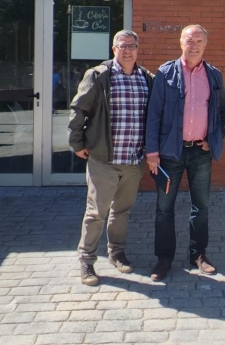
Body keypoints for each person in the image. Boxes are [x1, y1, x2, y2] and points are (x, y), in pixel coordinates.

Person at [68, 30, 154, 286]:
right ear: (113, 49)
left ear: (138, 49)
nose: (127, 50)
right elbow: (78, 108)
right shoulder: (99, 76)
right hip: (104, 159)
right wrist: (77, 143)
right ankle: (86, 260)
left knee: (122, 211)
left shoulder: (147, 78)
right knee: (96, 213)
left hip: (134, 159)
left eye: (132, 46)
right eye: (122, 46)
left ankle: (116, 252)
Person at [145, 24, 225, 281]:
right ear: (181, 43)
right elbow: (154, 114)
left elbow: (221, 113)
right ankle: (164, 258)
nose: (194, 45)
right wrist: (152, 152)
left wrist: (213, 140)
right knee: (164, 208)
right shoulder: (165, 72)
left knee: (201, 207)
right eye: (189, 40)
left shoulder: (214, 75)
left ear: (206, 44)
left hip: (200, 153)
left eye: (199, 40)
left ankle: (198, 254)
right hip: (170, 153)